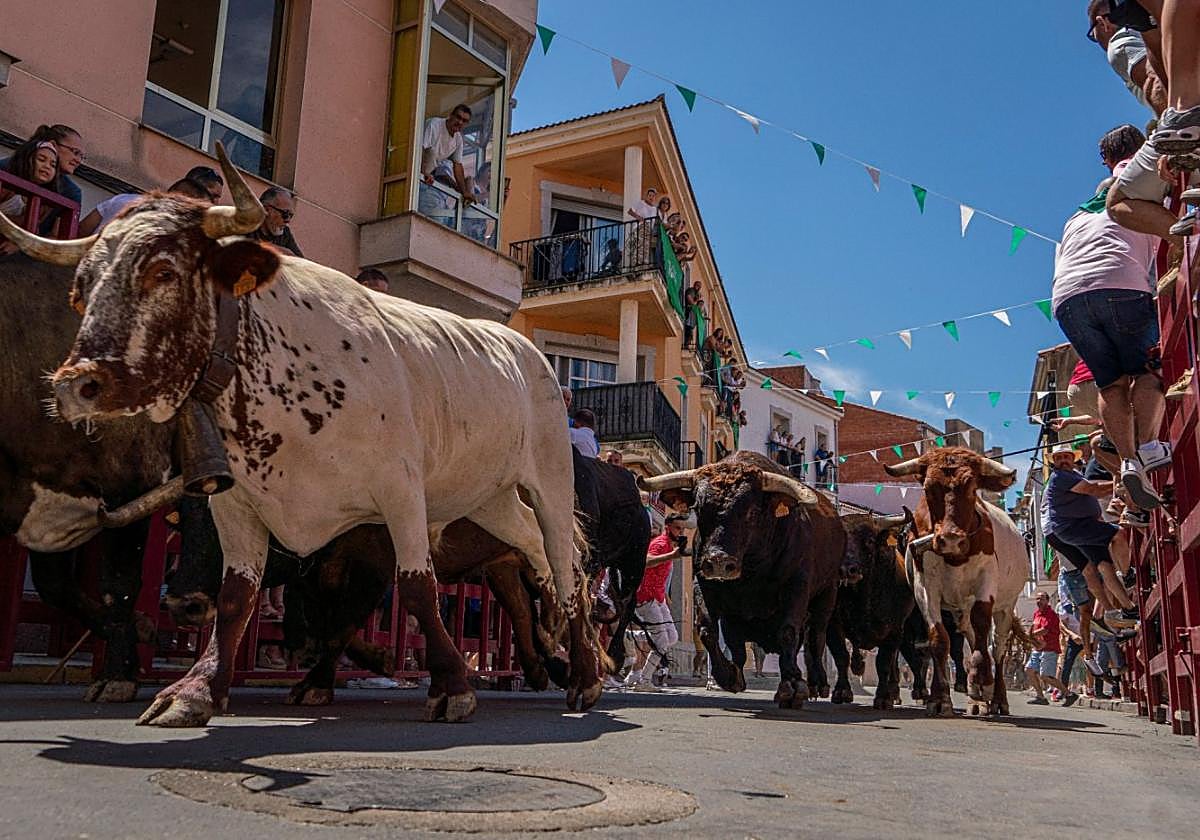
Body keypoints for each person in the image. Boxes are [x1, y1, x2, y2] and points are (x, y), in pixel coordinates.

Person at [1055, 127, 1171, 511]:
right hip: (1120, 283)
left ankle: (1127, 461)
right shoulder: (1145, 172)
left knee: (1111, 385)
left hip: (1067, 297)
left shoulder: (1075, 215)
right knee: (1149, 371)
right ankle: (1150, 447)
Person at [1043, 444, 1140, 632]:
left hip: (1079, 527)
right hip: (1074, 527)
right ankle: (1128, 575)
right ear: (1054, 461)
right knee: (1118, 534)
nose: (1063, 460)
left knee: (1104, 566)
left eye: (1066, 456)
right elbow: (1093, 489)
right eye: (1059, 457)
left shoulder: (1075, 475)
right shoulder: (1060, 477)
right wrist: (1121, 481)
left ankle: (1128, 609)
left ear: (1073, 458)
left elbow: (1091, 495)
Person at [626, 512, 687, 690]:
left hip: (658, 599)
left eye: (682, 529)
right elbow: (645, 561)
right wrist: (671, 556)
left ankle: (635, 637)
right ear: (668, 527)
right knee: (661, 643)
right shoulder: (660, 543)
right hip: (647, 597)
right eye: (677, 528)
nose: (680, 532)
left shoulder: (670, 544)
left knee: (672, 638)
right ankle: (643, 680)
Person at [1087, 1, 1167, 115]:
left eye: (1093, 35)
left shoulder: (1120, 43)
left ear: (1102, 23)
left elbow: (1156, 83)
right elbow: (1156, 81)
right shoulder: (1122, 43)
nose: (1097, 40)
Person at [0, 139, 60, 253]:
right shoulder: (7, 188)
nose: (47, 166)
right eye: (41, 160)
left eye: (53, 165)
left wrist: (18, 244)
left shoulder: (45, 203)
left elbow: (32, 232)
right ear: (26, 160)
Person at [1026, 591, 1078, 706]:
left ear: (1047, 600)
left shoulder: (1051, 614)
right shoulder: (1036, 614)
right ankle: (1040, 697)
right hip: (1038, 648)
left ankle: (1069, 694)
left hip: (1049, 648)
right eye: (1037, 599)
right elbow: (1034, 629)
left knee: (1046, 676)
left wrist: (1030, 635)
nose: (1039, 601)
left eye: (1042, 599)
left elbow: (1045, 630)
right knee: (1029, 670)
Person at [420, 104, 474, 203]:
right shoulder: (434, 124)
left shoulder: (458, 139)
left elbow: (457, 165)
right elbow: (420, 149)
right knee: (431, 152)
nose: (460, 122)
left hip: (428, 174)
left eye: (464, 121)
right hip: (417, 172)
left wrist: (464, 192)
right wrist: (424, 172)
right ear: (451, 115)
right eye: (458, 117)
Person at [250, 186, 303, 257]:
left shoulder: (285, 233)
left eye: (291, 215)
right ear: (266, 210)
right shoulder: (247, 224)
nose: (288, 220)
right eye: (285, 213)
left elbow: (301, 261)